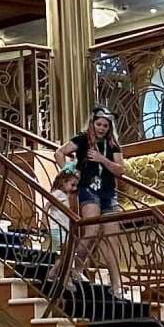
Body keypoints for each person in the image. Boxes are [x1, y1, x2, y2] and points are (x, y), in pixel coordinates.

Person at [59, 109, 126, 294]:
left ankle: (116, 285)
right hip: (88, 189)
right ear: (92, 124)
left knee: (112, 240)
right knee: (91, 232)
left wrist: (102, 159)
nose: (102, 128)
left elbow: (121, 170)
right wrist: (70, 173)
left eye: (105, 125)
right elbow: (60, 153)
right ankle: (72, 268)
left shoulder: (113, 144)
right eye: (99, 124)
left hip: (108, 193)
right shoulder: (82, 139)